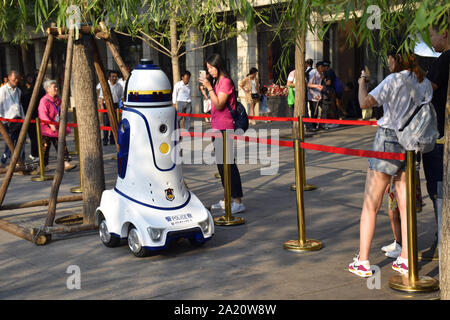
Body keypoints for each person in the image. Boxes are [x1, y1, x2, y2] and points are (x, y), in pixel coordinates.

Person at [348, 51, 433, 277]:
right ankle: (406, 257)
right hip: (411, 142)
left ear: (397, 58)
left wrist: (361, 84)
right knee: (405, 207)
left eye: (389, 57)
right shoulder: (423, 80)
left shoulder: (394, 79)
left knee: (371, 204)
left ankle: (363, 261)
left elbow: (365, 103)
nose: (387, 62)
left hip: (388, 139)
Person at [200, 53, 245, 214]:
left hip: (226, 128)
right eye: (208, 68)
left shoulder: (225, 82)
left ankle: (237, 201)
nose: (209, 71)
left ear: (218, 65)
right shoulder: (217, 81)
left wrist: (209, 87)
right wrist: (209, 86)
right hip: (217, 128)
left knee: (228, 165)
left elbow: (219, 104)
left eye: (211, 67)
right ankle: (228, 198)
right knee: (222, 167)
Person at [420, 18, 449, 260]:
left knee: (438, 192)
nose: (431, 41)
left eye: (432, 35)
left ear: (445, 34)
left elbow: (425, 91)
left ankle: (443, 240)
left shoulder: (444, 61)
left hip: (438, 139)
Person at [38, 80, 76, 172]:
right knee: (45, 148)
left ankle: (66, 163)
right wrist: (50, 124)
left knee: (62, 145)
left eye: (56, 87)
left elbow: (61, 111)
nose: (56, 89)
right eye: (54, 87)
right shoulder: (44, 100)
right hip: (47, 128)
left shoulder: (58, 99)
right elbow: (43, 114)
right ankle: (42, 166)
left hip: (57, 127)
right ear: (48, 89)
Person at [0, 70, 25, 165]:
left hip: (18, 119)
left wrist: (24, 117)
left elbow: (19, 104)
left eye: (18, 78)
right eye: (15, 78)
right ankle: (5, 156)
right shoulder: (3, 90)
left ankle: (19, 160)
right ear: (9, 77)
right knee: (10, 141)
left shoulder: (18, 91)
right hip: (6, 120)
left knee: (20, 140)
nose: (17, 80)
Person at [20, 74, 44, 163]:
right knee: (33, 137)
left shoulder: (39, 90)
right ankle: (34, 154)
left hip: (38, 116)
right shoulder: (23, 91)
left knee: (39, 137)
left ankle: (37, 154)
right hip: (28, 117)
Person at [99, 70, 124, 146]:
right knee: (106, 123)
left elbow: (122, 97)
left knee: (115, 122)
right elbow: (101, 96)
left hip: (115, 105)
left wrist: (123, 105)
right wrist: (102, 105)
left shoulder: (119, 86)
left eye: (116, 77)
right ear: (109, 77)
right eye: (113, 76)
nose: (114, 78)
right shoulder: (105, 84)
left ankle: (113, 139)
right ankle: (105, 139)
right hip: (106, 105)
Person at [306, 62, 324, 131]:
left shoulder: (321, 73)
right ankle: (313, 125)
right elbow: (309, 85)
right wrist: (315, 95)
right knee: (314, 111)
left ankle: (318, 125)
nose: (322, 69)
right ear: (317, 67)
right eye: (321, 68)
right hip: (313, 95)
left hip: (319, 94)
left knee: (320, 111)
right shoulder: (313, 73)